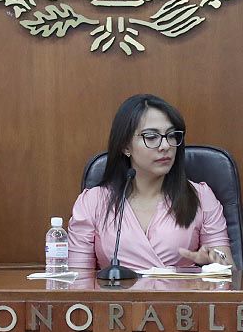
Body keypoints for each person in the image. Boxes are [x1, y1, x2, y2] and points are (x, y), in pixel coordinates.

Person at [68, 94, 233, 270]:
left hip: (181, 296)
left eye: (171, 135)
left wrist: (213, 262)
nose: (165, 146)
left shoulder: (201, 197)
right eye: (151, 137)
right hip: (114, 297)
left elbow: (228, 276)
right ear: (125, 146)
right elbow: (78, 281)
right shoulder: (92, 202)